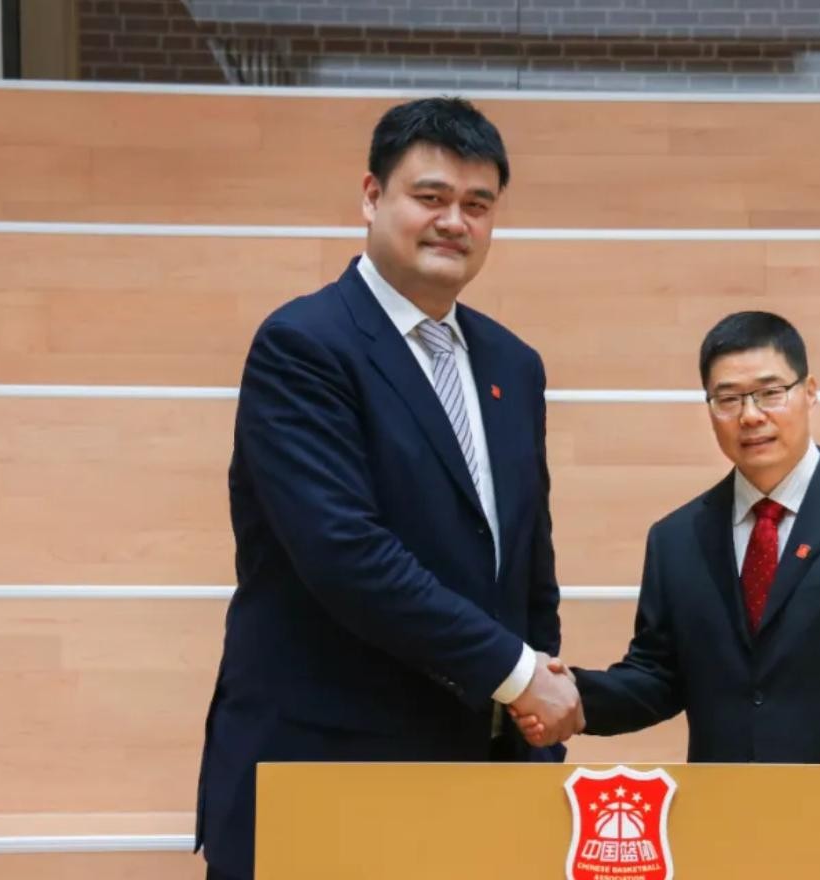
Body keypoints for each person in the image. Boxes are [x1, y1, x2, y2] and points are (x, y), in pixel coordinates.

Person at [195, 97, 582, 880]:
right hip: (325, 768)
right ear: (372, 196)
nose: (454, 222)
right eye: (430, 197)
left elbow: (525, 559)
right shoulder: (304, 345)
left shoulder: (513, 365)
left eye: (477, 205)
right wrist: (516, 674)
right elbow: (345, 553)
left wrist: (533, 706)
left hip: (474, 776)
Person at [515, 311, 820, 765]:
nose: (750, 416)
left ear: (809, 392)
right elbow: (658, 677)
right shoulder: (677, 539)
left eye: (770, 393)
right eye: (728, 399)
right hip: (721, 803)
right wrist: (572, 695)